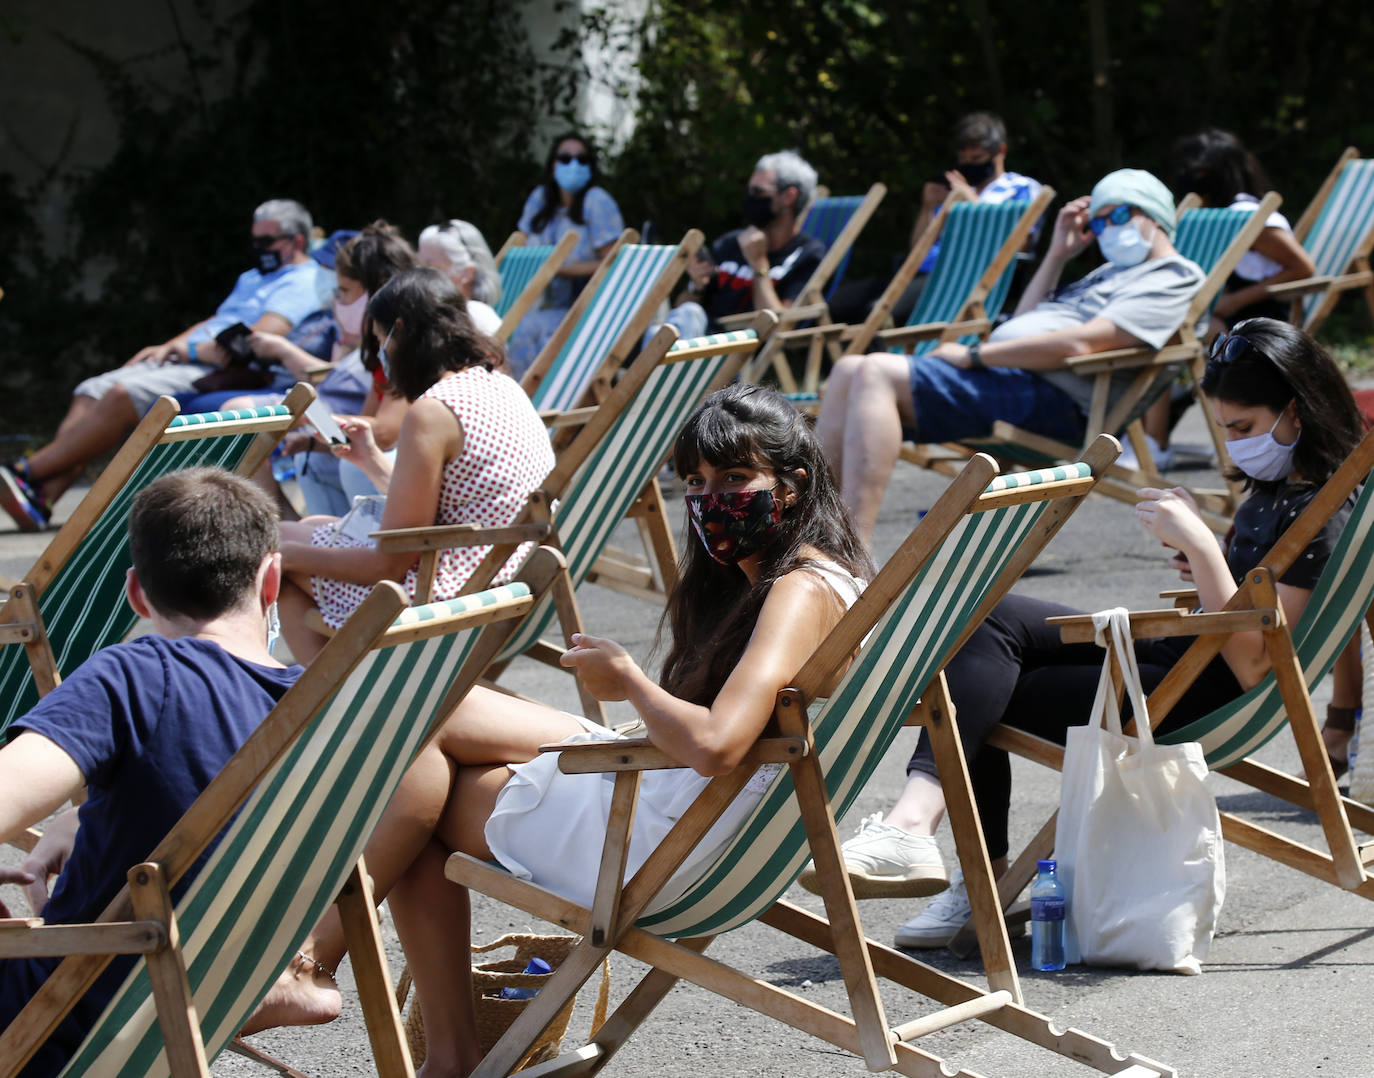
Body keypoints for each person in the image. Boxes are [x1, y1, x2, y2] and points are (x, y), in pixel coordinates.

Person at [244, 384, 874, 1076]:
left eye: (733, 478)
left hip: (664, 834)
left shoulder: (797, 591)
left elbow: (718, 745)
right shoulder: (827, 577)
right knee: (422, 710)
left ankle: (323, 971)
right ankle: (331, 977)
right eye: (694, 481)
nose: (708, 498)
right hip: (679, 797)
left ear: (792, 485)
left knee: (415, 780)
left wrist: (629, 680)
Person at [805, 318, 1363, 950]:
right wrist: (1209, 559)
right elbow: (1248, 608)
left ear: (1295, 408)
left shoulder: (1321, 517)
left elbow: (1256, 662)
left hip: (1192, 691)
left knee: (963, 679)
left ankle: (947, 854)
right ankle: (925, 836)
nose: (1233, 446)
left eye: (1242, 429)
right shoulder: (1295, 490)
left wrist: (1204, 545)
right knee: (975, 615)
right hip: (1183, 657)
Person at [0, 468, 300, 1078]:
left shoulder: (136, 675)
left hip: (60, 1023)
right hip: (207, 1000)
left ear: (137, 594)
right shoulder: (321, 704)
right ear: (272, 578)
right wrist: (80, 820)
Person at [817, 168, 1205, 544]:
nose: (1109, 230)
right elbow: (1024, 323)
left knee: (876, 373)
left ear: (1153, 214)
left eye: (1118, 215)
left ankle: (852, 547)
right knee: (850, 368)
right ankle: (817, 534)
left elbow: (1084, 344)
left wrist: (975, 357)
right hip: (1017, 384)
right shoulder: (1109, 273)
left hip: (1059, 403)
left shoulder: (1173, 274)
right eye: (1099, 223)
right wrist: (1056, 254)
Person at [276, 267, 555, 663]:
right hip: (508, 576)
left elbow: (387, 564)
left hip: (446, 598)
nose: (383, 357)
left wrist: (282, 555)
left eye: (380, 342)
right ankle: (338, 693)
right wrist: (371, 460)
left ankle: (328, 704)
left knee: (278, 555)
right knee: (308, 527)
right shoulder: (500, 385)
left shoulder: (432, 412)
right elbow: (447, 506)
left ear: (401, 331)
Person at [0, 200, 325, 532]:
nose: (258, 249)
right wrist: (169, 346)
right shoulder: (252, 277)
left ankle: (25, 472)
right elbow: (216, 320)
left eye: (266, 242)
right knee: (90, 390)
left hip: (222, 369)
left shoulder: (303, 281)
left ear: (296, 241)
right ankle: (41, 497)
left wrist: (188, 349)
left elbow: (255, 338)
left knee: (120, 392)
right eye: (254, 241)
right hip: (191, 357)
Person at [1136, 129, 1323, 466]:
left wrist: (1236, 301)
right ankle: (1149, 437)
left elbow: (1304, 269)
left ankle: (1153, 441)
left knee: (1166, 330)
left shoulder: (1254, 219)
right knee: (1160, 323)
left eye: (1197, 173)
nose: (1187, 179)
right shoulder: (1213, 215)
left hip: (1258, 321)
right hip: (1219, 318)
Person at [828, 112, 1045, 327]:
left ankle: (889, 362)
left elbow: (1022, 244)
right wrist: (928, 206)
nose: (970, 165)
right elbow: (919, 248)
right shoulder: (958, 191)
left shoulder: (1021, 188)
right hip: (920, 274)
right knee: (835, 305)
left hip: (963, 279)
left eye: (977, 159)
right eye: (964, 160)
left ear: (1001, 151)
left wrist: (970, 201)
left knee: (877, 313)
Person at [671, 150, 827, 338]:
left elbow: (778, 330)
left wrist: (759, 265)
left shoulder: (807, 255)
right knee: (684, 315)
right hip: (698, 341)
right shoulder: (730, 243)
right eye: (750, 190)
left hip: (739, 355)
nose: (750, 197)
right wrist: (696, 287)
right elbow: (679, 313)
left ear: (788, 197)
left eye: (758, 191)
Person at [506, 132, 624, 377]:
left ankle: (523, 404)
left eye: (582, 159)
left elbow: (614, 263)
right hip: (533, 301)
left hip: (579, 308)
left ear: (591, 167)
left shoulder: (596, 201)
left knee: (527, 327)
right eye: (565, 157)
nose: (574, 164)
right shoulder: (540, 199)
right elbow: (521, 249)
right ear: (553, 165)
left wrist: (559, 269)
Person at [417, 220, 504, 338]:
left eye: (433, 269)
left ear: (467, 274)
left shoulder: (476, 316)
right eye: (419, 268)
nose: (418, 277)